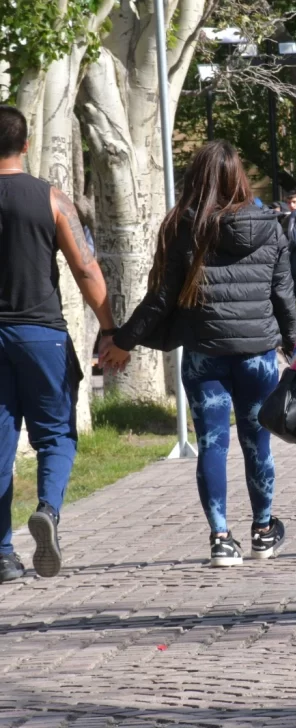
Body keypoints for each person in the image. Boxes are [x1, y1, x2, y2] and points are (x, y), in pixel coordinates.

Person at [102, 141, 296, 566]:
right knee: (257, 442)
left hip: (204, 356)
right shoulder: (271, 227)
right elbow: (284, 298)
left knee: (212, 443)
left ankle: (221, 538)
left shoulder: (187, 229)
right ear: (240, 178)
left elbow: (161, 298)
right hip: (258, 356)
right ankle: (264, 531)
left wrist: (123, 341)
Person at [0, 105, 117, 582]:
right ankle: (47, 509)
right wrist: (110, 329)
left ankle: (3, 555)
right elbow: (85, 268)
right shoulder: (50, 199)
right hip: (41, 333)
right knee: (55, 434)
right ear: (26, 144)